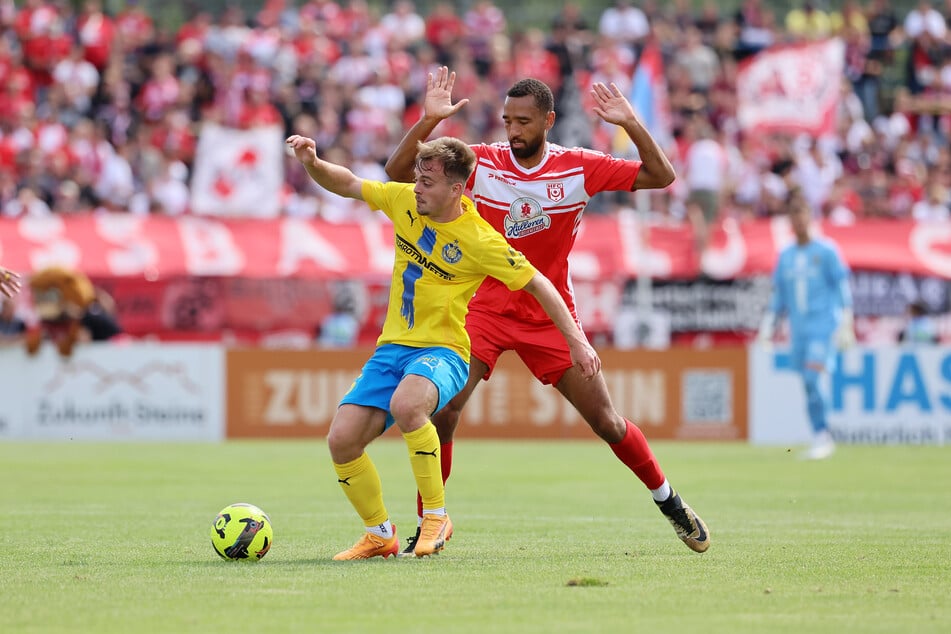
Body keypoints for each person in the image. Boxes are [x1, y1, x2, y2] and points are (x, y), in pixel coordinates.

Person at [384, 67, 710, 554]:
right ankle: (431, 523)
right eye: (507, 120)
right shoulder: (481, 162)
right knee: (443, 410)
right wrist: (428, 122)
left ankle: (670, 502)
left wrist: (632, 124)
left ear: (549, 121)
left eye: (523, 122)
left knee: (607, 422)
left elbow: (662, 176)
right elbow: (397, 172)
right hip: (482, 312)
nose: (512, 131)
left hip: (548, 313)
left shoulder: (578, 167)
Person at [286, 133, 601, 560]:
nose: (416, 188)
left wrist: (577, 342)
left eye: (427, 182)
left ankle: (436, 516)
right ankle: (380, 534)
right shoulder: (403, 202)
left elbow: (540, 284)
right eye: (417, 179)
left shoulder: (479, 239)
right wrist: (312, 162)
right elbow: (347, 183)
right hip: (391, 349)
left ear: (456, 189)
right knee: (341, 440)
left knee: (408, 405)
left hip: (445, 351)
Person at [757, 193, 855, 460]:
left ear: (810, 218)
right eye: (794, 217)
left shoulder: (826, 250)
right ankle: (819, 435)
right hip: (798, 330)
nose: (799, 222)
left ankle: (823, 436)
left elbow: (841, 285)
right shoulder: (787, 255)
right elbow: (780, 297)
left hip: (823, 326)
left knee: (813, 377)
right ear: (790, 221)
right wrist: (768, 327)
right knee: (807, 383)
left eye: (802, 216)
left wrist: (847, 321)